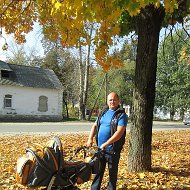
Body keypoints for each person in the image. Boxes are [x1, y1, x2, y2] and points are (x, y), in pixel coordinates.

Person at [86, 92, 128, 190]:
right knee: (98, 172)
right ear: (107, 101)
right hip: (100, 149)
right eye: (110, 100)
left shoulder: (121, 115)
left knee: (112, 175)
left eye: (114, 99)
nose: (112, 102)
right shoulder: (103, 112)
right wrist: (90, 139)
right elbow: (95, 126)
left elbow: (119, 133)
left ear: (118, 101)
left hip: (112, 150)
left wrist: (106, 144)